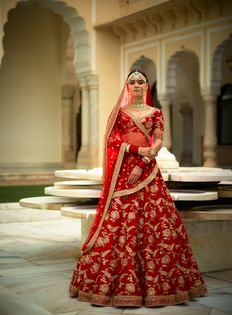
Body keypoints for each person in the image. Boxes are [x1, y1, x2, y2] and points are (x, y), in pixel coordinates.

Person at [69, 70, 207, 307]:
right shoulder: (119, 114)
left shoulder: (156, 114)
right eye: (132, 81)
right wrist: (136, 152)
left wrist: (142, 162)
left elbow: (158, 143)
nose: (136, 85)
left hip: (147, 173)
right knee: (116, 224)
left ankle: (160, 287)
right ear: (127, 86)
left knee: (158, 225)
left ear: (146, 87)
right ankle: (110, 285)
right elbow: (112, 141)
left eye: (140, 81)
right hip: (122, 175)